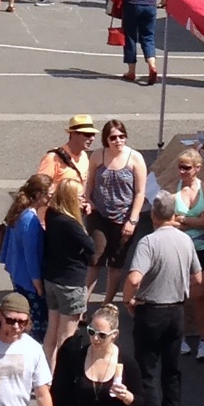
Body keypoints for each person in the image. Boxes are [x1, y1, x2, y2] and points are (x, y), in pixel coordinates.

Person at [125, 197, 198, 406]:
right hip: (176, 311)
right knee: (172, 370)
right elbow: (197, 277)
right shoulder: (186, 240)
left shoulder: (148, 242)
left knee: (146, 371)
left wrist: (127, 299)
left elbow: (134, 278)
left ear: (155, 216)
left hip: (151, 311)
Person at [166, 147, 204, 356]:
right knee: (177, 295)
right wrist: (193, 222)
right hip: (178, 248)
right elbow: (167, 220)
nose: (182, 172)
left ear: (197, 168)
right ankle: (181, 336)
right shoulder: (173, 188)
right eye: (180, 167)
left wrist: (184, 220)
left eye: (186, 168)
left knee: (200, 294)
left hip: (201, 248)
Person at [88, 120, 146, 304]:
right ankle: (82, 305)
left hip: (124, 218)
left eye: (122, 136)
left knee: (115, 263)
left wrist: (133, 220)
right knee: (95, 259)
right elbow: (89, 182)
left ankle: (107, 303)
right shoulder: (98, 156)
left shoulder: (135, 158)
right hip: (100, 215)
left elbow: (140, 192)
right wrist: (88, 200)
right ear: (106, 140)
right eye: (113, 138)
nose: (118, 141)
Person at [40, 173, 98, 355]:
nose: (84, 199)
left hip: (52, 279)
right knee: (66, 336)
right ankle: (61, 378)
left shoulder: (52, 214)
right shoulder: (71, 224)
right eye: (80, 197)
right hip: (70, 284)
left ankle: (47, 374)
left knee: (52, 331)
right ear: (71, 199)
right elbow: (91, 246)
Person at [0, 175, 50, 330]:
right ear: (38, 196)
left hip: (17, 274)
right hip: (28, 281)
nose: (50, 197)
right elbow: (31, 255)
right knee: (36, 323)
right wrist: (38, 284)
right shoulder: (30, 221)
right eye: (48, 194)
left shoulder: (19, 210)